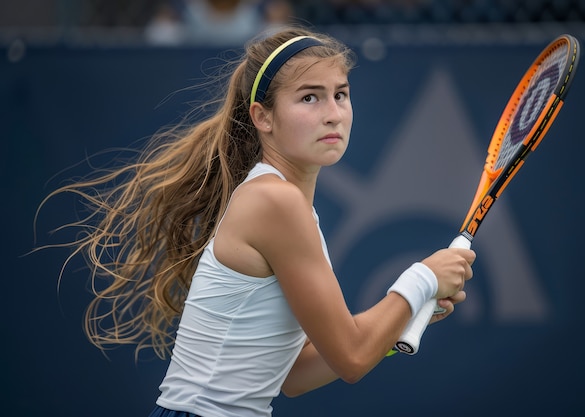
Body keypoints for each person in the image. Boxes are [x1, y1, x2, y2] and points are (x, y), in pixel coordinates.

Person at [41, 26, 475, 416]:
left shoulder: (285, 202)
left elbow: (294, 376)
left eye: (340, 94)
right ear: (262, 117)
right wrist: (422, 279)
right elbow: (352, 358)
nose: (333, 113)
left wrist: (398, 323)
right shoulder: (275, 202)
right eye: (310, 97)